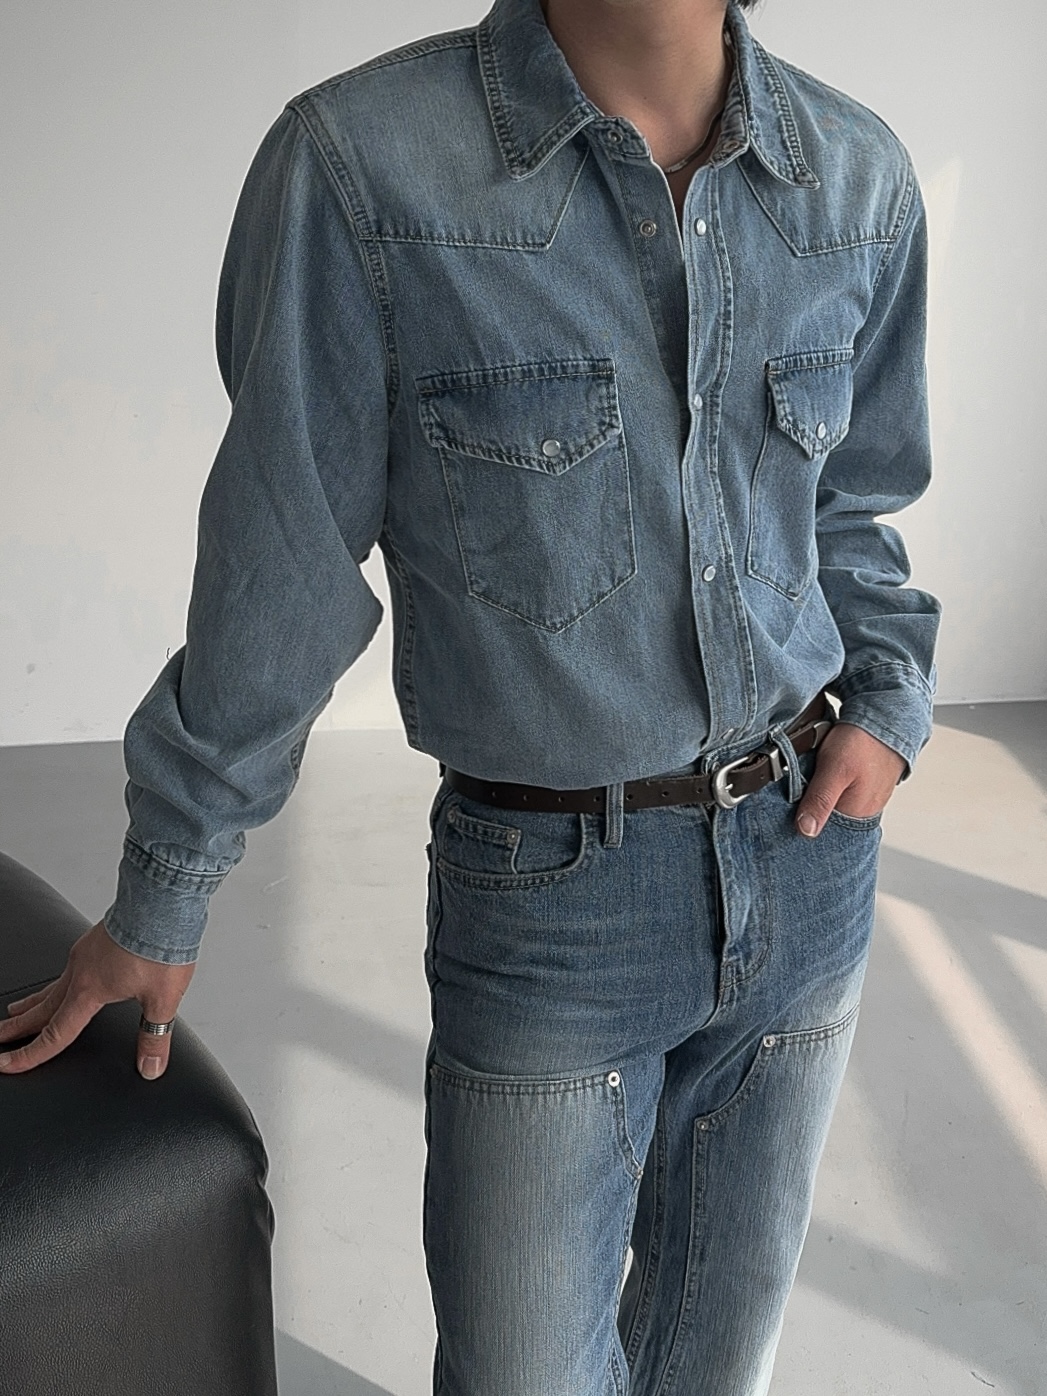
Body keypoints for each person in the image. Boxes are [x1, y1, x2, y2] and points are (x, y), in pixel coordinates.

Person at [0, 0, 941, 1390]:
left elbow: (855, 501)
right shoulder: (363, 169)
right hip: (556, 901)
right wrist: (166, 890)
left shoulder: (855, 177)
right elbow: (282, 564)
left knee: (718, 1359)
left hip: (809, 862)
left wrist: (888, 703)